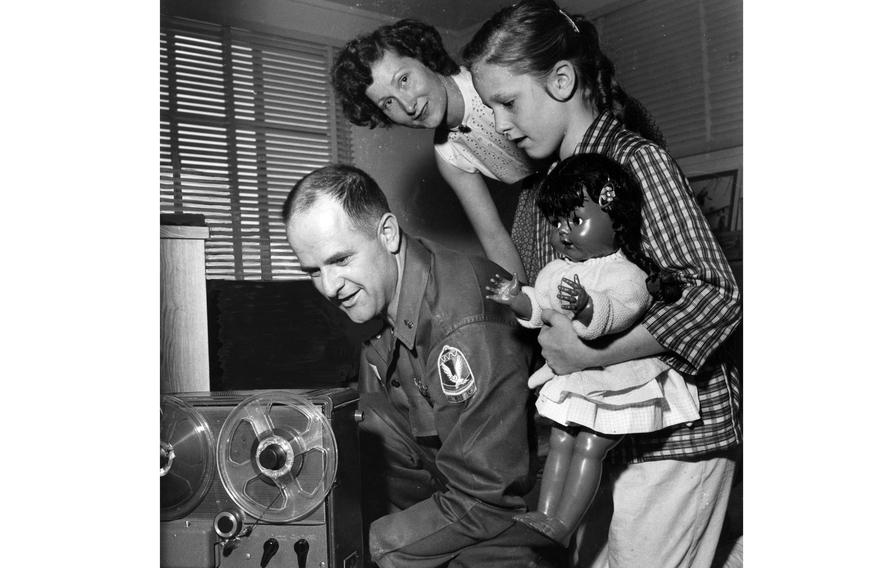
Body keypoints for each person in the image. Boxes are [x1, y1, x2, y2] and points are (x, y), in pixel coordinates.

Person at [463, 1, 743, 566]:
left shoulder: (638, 163)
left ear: (562, 80)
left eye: (507, 101)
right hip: (604, 434)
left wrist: (592, 355)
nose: (497, 121)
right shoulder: (542, 194)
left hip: (676, 438)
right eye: (489, 106)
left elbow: (718, 294)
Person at [282, 164, 558, 568]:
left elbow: (490, 497)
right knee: (352, 426)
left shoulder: (463, 323)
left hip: (518, 510)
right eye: (313, 271)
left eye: (340, 259)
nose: (329, 287)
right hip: (455, 485)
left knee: (366, 545)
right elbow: (388, 447)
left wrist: (372, 543)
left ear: (388, 234)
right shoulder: (379, 300)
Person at [485, 153, 701, 547]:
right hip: (579, 377)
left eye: (576, 220)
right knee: (562, 440)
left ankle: (563, 525)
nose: (564, 232)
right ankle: (544, 516)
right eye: (557, 224)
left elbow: (617, 313)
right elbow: (539, 308)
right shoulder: (557, 270)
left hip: (618, 377)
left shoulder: (628, 273)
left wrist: (587, 305)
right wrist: (518, 298)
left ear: (615, 219)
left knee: (589, 444)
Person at [331, 19, 554, 283]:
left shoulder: (487, 78)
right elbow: (494, 237)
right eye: (388, 102)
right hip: (545, 211)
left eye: (404, 80)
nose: (408, 105)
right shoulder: (448, 154)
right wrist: (523, 303)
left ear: (424, 58)